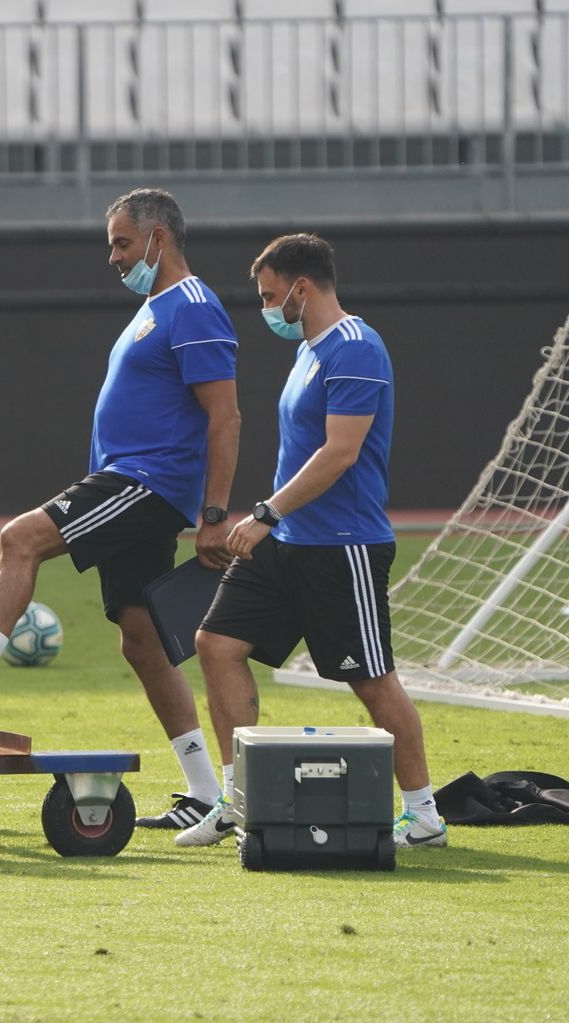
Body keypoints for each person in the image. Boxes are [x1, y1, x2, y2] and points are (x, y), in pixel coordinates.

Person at [0, 188, 241, 830]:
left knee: (20, 539)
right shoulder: (155, 309)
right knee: (142, 641)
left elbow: (225, 416)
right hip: (131, 479)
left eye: (122, 243)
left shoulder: (192, 307)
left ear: (157, 239)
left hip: (148, 482)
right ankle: (203, 792)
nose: (113, 256)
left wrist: (214, 515)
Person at [176, 232, 446, 851]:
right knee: (216, 643)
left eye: (272, 296)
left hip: (342, 546)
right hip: (288, 541)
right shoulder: (308, 350)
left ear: (301, 288)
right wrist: (270, 523)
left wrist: (265, 512)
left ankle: (425, 817)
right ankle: (237, 799)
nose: (268, 308)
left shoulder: (356, 346)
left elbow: (341, 453)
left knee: (372, 680)